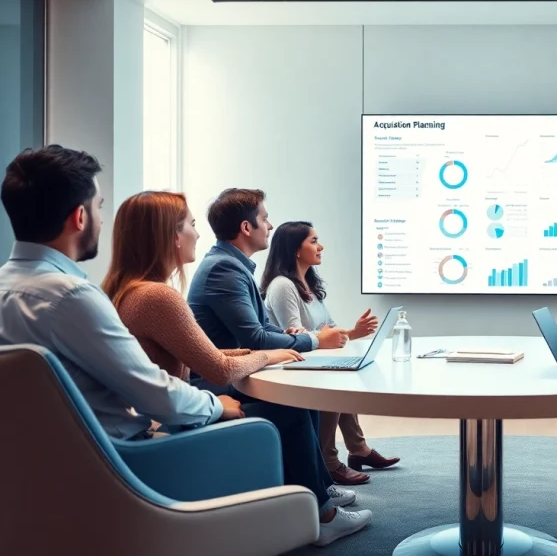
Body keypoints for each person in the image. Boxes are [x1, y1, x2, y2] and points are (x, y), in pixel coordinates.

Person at [99, 191, 371, 546]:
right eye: (191, 225)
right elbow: (218, 369)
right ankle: (322, 514)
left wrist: (259, 351)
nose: (198, 233)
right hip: (171, 420)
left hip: (165, 410)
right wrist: (268, 355)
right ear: (171, 236)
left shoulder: (129, 291)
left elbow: (204, 352)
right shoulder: (157, 296)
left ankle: (316, 492)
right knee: (288, 409)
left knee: (289, 403)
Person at [0, 146, 237, 442]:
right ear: (80, 217)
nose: (102, 219)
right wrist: (214, 405)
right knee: (262, 429)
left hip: (28, 469)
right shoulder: (72, 298)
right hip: (119, 467)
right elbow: (160, 398)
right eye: (99, 207)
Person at [261, 221, 401, 486]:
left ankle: (358, 449)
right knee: (337, 380)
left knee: (346, 370)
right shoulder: (282, 286)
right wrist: (328, 338)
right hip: (292, 364)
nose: (320, 246)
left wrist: (355, 332)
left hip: (313, 359)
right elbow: (297, 335)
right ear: (295, 250)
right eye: (313, 241)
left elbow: (329, 330)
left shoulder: (309, 284)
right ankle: (330, 462)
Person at [187, 188, 345, 354]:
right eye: (264, 219)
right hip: (220, 379)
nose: (270, 226)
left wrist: (287, 334)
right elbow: (256, 339)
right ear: (246, 228)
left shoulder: (229, 264)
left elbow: (262, 325)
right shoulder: (223, 269)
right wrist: (315, 340)